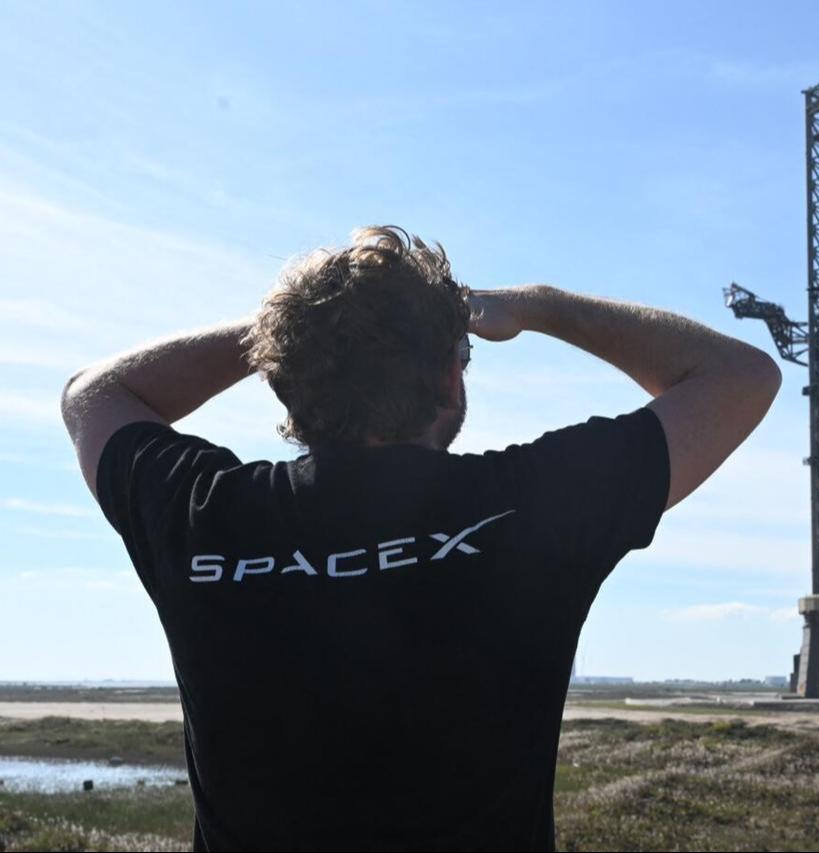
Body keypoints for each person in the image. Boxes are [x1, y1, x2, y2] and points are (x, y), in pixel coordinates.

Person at [60, 225, 782, 851]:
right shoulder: (530, 507)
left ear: (283, 381)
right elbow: (739, 375)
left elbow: (91, 394)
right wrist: (540, 306)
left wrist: (293, 333)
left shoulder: (204, 514)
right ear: (450, 381)